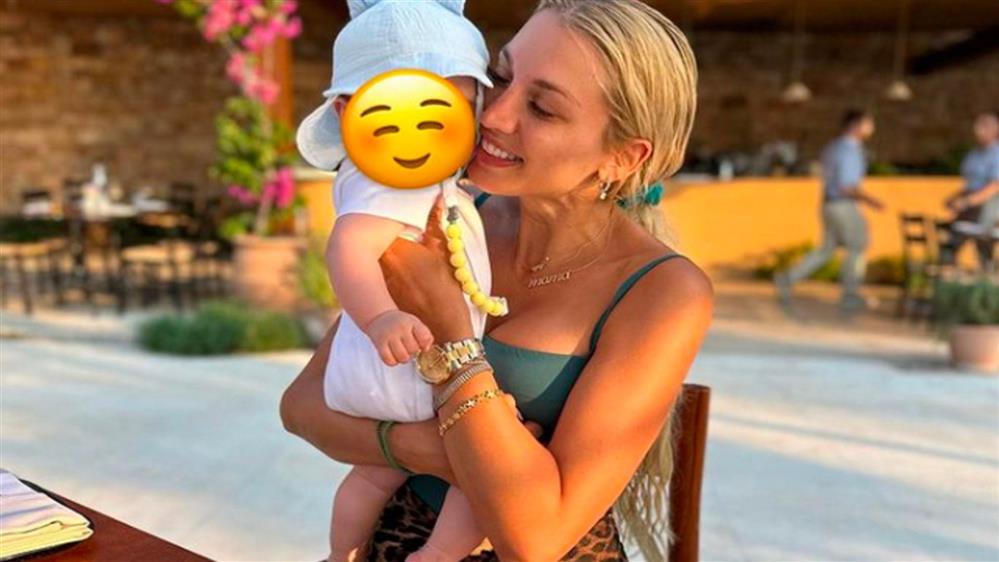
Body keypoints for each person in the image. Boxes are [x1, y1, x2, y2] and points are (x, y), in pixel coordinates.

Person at [281, 1, 714, 560]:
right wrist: (432, 451)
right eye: (500, 77)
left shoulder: (663, 293)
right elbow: (303, 407)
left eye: (542, 108)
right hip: (392, 542)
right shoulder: (447, 214)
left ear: (623, 158)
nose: (493, 115)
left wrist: (451, 332)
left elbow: (535, 540)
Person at [294, 1, 503, 560]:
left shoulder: (401, 174)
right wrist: (381, 316)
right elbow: (348, 247)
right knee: (489, 460)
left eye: (451, 108)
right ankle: (436, 557)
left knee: (370, 476)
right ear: (350, 112)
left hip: (386, 368)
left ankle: (341, 554)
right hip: (409, 365)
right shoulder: (394, 178)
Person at [775, 109, 885, 311]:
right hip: (843, 204)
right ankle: (850, 294)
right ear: (856, 125)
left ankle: (788, 278)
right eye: (868, 124)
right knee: (857, 246)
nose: (871, 128)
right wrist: (872, 201)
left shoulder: (833, 147)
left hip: (829, 203)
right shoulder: (849, 150)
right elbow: (847, 186)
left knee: (826, 249)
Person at [944, 111, 999, 268]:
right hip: (971, 206)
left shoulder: (996, 154)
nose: (978, 132)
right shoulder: (973, 155)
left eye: (983, 128)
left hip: (991, 206)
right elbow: (970, 185)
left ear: (994, 131)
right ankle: (949, 274)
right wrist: (955, 198)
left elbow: (995, 186)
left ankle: (987, 274)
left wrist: (967, 202)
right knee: (952, 242)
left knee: (983, 242)